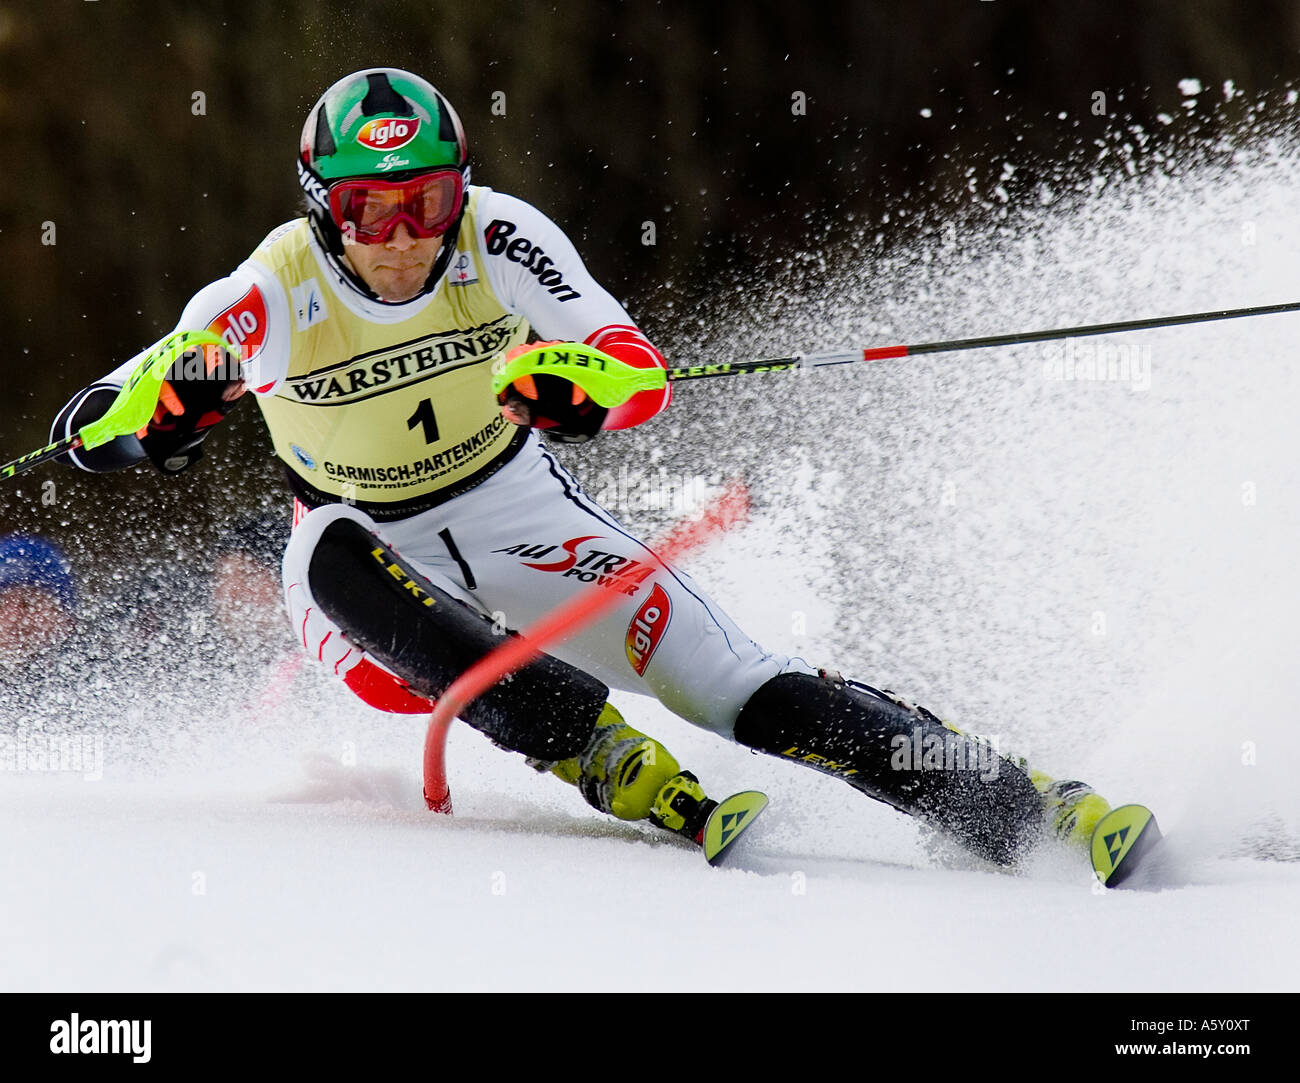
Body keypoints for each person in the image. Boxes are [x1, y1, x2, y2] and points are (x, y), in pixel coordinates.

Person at [48, 68, 1115, 867]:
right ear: (321, 204)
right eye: (370, 208)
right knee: (329, 542)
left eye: (426, 201)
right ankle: (590, 746)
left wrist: (583, 392)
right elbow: (93, 423)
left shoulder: (498, 238)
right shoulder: (268, 292)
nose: (403, 236)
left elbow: (633, 368)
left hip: (516, 509)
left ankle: (1014, 806)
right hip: (362, 572)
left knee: (732, 683)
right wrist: (160, 424)